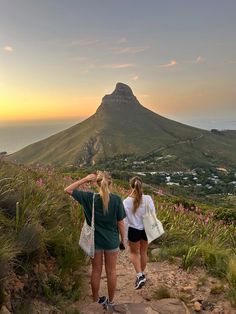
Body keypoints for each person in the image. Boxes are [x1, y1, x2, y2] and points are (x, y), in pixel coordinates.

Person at [64, 171, 126, 309]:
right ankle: (110, 301)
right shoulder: (116, 200)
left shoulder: (89, 198)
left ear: (97, 183)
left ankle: (96, 300)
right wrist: (123, 240)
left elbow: (68, 189)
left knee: (96, 270)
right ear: (110, 183)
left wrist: (84, 179)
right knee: (111, 271)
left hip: (95, 241)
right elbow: (121, 223)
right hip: (111, 241)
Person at [123, 176, 156, 289]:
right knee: (143, 252)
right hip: (146, 229)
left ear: (131, 186)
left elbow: (125, 221)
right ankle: (141, 274)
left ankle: (139, 275)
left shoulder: (126, 202)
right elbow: (153, 214)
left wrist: (124, 237)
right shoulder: (148, 198)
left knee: (133, 253)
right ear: (141, 185)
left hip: (133, 230)